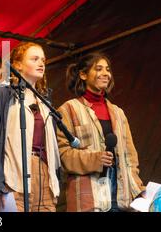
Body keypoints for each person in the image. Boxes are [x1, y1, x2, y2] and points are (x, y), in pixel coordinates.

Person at [0, 42, 61, 212]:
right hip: (13, 179)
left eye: (43, 60)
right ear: (17, 65)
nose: (41, 63)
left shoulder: (45, 102)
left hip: (44, 178)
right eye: (34, 59)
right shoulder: (3, 96)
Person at [56, 52, 146, 212]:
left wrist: (137, 188)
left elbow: (130, 158)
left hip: (121, 194)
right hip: (89, 197)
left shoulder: (119, 113)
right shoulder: (68, 110)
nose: (106, 74)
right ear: (83, 75)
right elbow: (62, 155)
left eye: (107, 69)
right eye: (98, 69)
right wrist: (95, 159)